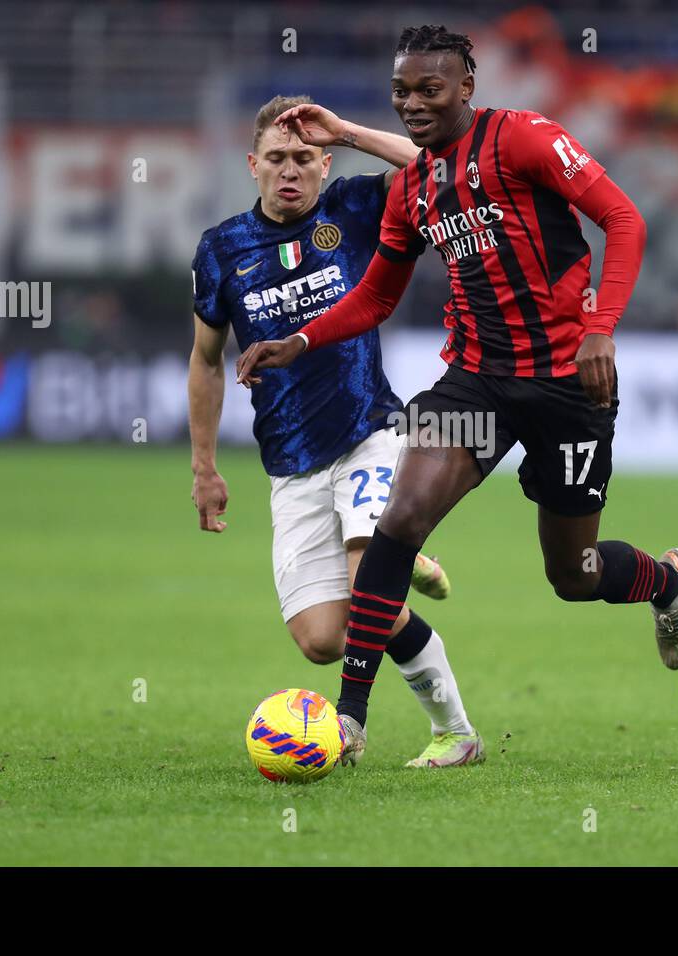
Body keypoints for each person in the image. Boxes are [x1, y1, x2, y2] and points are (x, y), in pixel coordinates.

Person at [236, 27, 678, 758]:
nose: (414, 103)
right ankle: (350, 719)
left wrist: (601, 328)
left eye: (430, 89)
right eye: (402, 92)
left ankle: (666, 582)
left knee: (573, 576)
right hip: (476, 384)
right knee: (400, 520)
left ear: (466, 88)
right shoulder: (414, 188)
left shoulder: (523, 139)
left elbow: (623, 219)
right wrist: (301, 341)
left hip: (566, 383)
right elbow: (374, 298)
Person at [189, 94, 484, 768]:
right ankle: (400, 559)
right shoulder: (221, 250)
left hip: (369, 433)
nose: (288, 171)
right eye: (275, 160)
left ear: (323, 164)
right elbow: (206, 361)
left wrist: (350, 133)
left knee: (364, 586)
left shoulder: (352, 206)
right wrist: (204, 466)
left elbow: (441, 169)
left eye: (302, 159)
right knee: (323, 639)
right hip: (291, 463)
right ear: (251, 165)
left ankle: (456, 733)